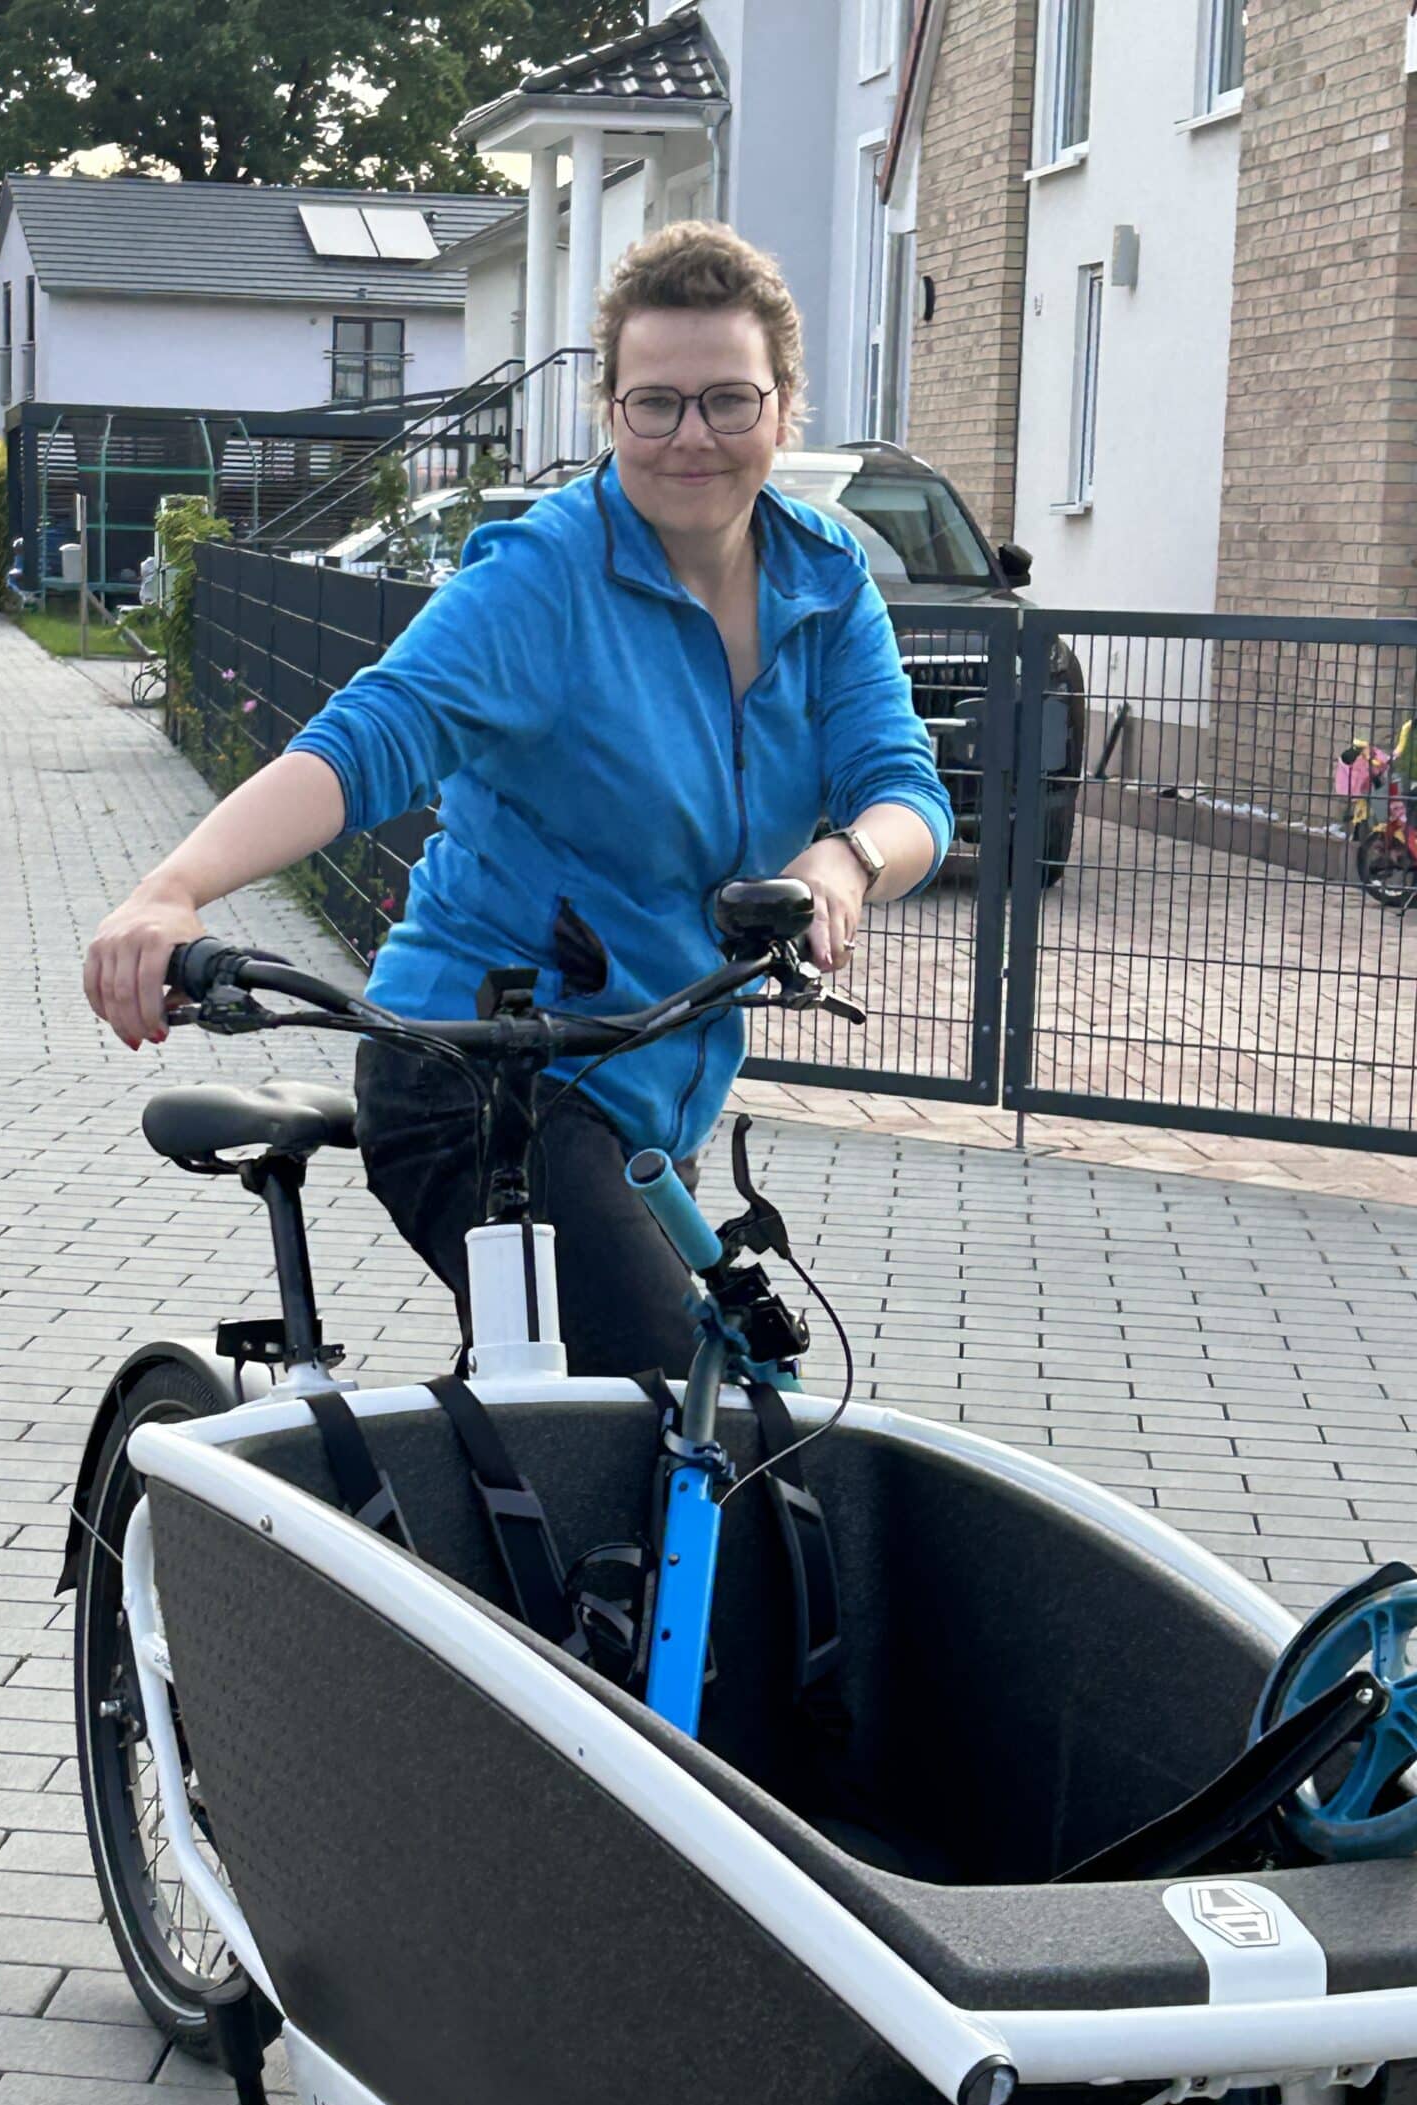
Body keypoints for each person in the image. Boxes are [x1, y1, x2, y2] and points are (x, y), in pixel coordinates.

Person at [84, 221, 952, 1374]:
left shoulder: (827, 580)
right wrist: (171, 887)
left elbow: (904, 787)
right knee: (649, 1410)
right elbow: (372, 737)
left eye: (729, 401)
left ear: (784, 409)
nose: (693, 436)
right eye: (657, 403)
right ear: (612, 414)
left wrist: (846, 861)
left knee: (672, 1433)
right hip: (483, 1075)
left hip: (649, 1095)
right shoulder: (546, 576)